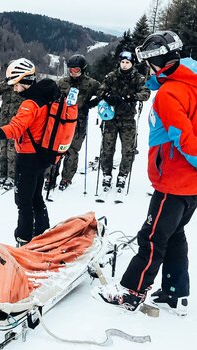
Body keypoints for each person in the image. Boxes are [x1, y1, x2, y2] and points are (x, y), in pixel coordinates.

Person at [93, 31, 197, 316]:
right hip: (189, 186)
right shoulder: (189, 82)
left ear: (158, 61)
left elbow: (185, 139)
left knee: (151, 237)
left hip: (174, 182)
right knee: (175, 234)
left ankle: (131, 292)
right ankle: (176, 293)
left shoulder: (171, 93)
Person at [0, 58, 62, 246]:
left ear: (24, 80)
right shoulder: (47, 97)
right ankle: (43, 235)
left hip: (27, 159)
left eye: (15, 84)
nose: (13, 88)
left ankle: (23, 240)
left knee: (23, 203)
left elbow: (14, 129)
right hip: (42, 157)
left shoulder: (30, 105)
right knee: (36, 199)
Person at [44, 54, 100, 191]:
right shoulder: (62, 82)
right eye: (71, 70)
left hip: (78, 122)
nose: (74, 73)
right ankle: (50, 177)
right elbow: (52, 96)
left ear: (83, 70)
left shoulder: (91, 83)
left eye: (77, 70)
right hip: (62, 120)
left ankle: (66, 178)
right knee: (56, 149)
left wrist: (91, 103)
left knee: (72, 151)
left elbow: (103, 93)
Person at [97, 51, 150, 192]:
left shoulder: (138, 78)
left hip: (128, 119)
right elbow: (100, 91)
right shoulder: (111, 76)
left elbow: (145, 94)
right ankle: (106, 174)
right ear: (119, 62)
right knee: (107, 149)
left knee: (128, 150)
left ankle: (123, 174)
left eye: (128, 62)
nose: (125, 65)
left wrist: (130, 97)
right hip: (111, 118)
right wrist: (109, 97)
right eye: (123, 62)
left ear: (132, 63)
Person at [0, 74, 24, 189]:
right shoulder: (5, 84)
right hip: (3, 121)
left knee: (12, 150)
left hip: (16, 122)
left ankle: (12, 176)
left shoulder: (23, 84)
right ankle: (2, 175)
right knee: (3, 149)